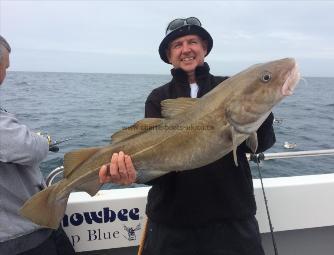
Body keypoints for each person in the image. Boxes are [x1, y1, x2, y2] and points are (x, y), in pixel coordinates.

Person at [99, 17, 276, 255]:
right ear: (169, 56)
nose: (186, 49)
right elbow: (156, 169)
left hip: (232, 219)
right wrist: (131, 172)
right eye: (177, 45)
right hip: (173, 225)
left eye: (192, 41)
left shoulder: (230, 87)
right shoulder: (158, 98)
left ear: (204, 48)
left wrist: (263, 105)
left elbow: (260, 145)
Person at [0, 35, 75, 255]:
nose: (4, 76)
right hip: (19, 238)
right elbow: (27, 148)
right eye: (5, 67)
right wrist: (43, 140)